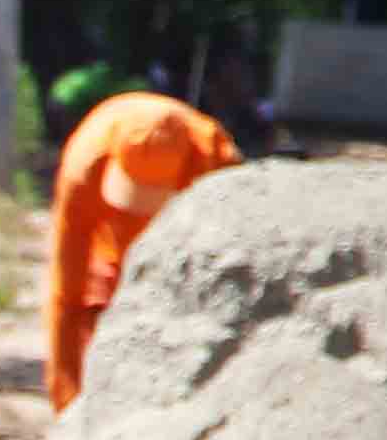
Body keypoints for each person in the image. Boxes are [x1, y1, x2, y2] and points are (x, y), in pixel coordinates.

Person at [42, 89, 240, 412]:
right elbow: (66, 294)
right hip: (111, 255)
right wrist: (65, 401)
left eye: (149, 200)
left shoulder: (216, 160)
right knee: (93, 315)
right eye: (131, 197)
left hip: (181, 252)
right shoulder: (85, 164)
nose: (139, 214)